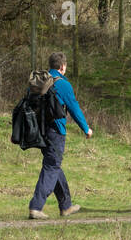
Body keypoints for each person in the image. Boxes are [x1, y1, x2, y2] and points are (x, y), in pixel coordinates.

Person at [28, 52, 91, 220]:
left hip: (40, 131)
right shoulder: (63, 84)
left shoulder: (40, 81)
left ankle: (66, 206)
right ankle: (36, 206)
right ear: (62, 66)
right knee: (51, 167)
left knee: (54, 165)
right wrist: (86, 128)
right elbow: (74, 108)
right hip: (56, 132)